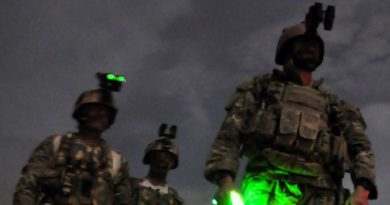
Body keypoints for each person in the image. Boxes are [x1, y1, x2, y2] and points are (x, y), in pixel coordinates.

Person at [204, 18, 378, 205]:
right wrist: (225, 182)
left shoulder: (334, 105)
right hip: (267, 188)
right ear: (286, 50)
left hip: (322, 194)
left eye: (314, 47)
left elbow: (361, 148)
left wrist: (362, 190)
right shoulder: (260, 89)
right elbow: (229, 136)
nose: (310, 49)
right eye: (303, 45)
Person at [13, 88, 132, 205]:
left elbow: (124, 200)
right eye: (97, 109)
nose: (102, 115)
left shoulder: (116, 160)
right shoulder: (56, 144)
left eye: (107, 113)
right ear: (83, 112)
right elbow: (28, 186)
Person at [129, 124, 184, 205]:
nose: (163, 160)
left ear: (172, 164)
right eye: (159, 157)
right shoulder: (131, 187)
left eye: (168, 158)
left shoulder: (175, 200)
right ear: (150, 158)